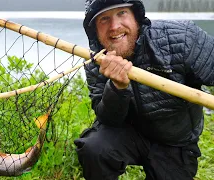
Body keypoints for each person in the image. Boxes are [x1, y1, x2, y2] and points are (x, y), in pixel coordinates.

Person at [74, 0, 214, 179]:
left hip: (174, 142)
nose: (114, 26)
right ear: (95, 30)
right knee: (95, 148)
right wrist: (117, 87)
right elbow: (107, 118)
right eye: (104, 19)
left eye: (122, 13)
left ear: (136, 17)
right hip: (128, 133)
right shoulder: (96, 62)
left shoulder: (181, 38)